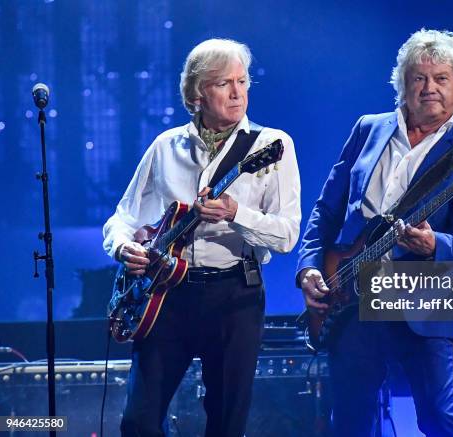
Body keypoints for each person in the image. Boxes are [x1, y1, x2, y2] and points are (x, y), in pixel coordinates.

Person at [296, 29, 453, 436]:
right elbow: (327, 209)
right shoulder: (368, 129)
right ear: (402, 85)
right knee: (351, 420)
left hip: (422, 297)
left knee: (439, 417)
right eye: (419, 78)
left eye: (442, 79)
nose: (429, 89)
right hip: (349, 298)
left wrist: (433, 243)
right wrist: (309, 268)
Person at [103, 38, 301, 437]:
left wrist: (236, 213)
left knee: (226, 424)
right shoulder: (165, 147)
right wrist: (124, 246)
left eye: (242, 82)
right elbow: (122, 218)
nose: (237, 93)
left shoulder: (271, 146)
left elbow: (286, 235)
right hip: (166, 296)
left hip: (234, 296)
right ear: (197, 94)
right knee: (138, 421)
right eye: (224, 83)